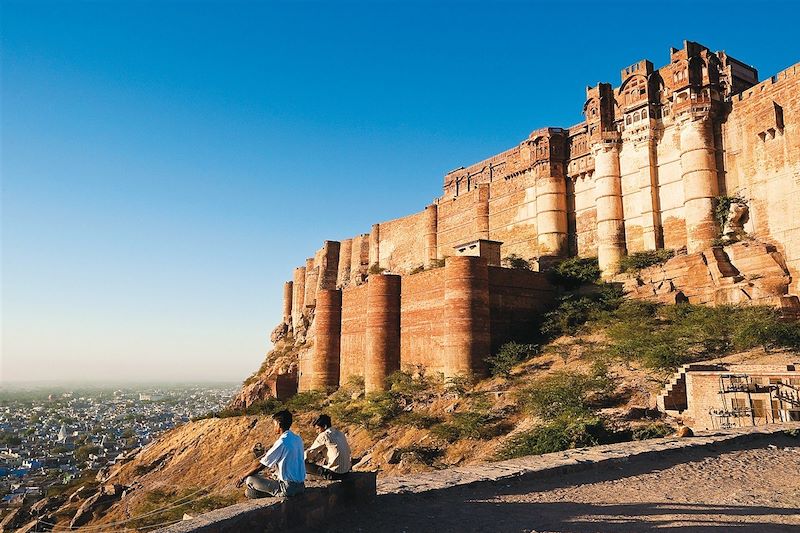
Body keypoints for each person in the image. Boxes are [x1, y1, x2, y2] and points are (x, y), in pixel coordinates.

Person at [236, 410, 306, 498]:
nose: (274, 427)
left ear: (279, 424)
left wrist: (243, 477)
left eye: (274, 424)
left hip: (288, 488)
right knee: (255, 485)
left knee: (250, 480)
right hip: (301, 486)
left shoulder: (282, 441)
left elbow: (261, 465)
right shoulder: (297, 439)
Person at [304, 414, 352, 480]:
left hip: (334, 473)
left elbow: (309, 454)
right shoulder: (340, 433)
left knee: (303, 465)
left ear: (325, 426)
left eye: (318, 429)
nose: (317, 432)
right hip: (346, 472)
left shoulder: (324, 435)